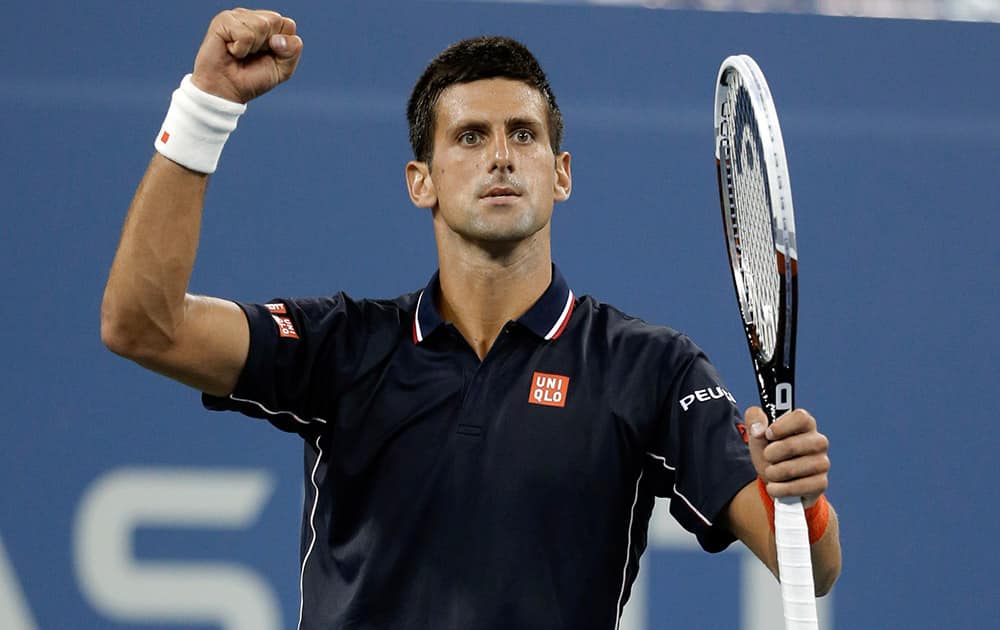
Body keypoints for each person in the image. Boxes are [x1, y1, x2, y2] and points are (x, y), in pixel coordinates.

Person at [102, 8, 841, 629]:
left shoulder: (649, 367)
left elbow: (810, 567)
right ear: (420, 181)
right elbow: (142, 324)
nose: (500, 158)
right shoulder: (346, 347)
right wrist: (205, 105)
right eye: (469, 137)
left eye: (523, 134)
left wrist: (800, 501)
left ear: (561, 174)